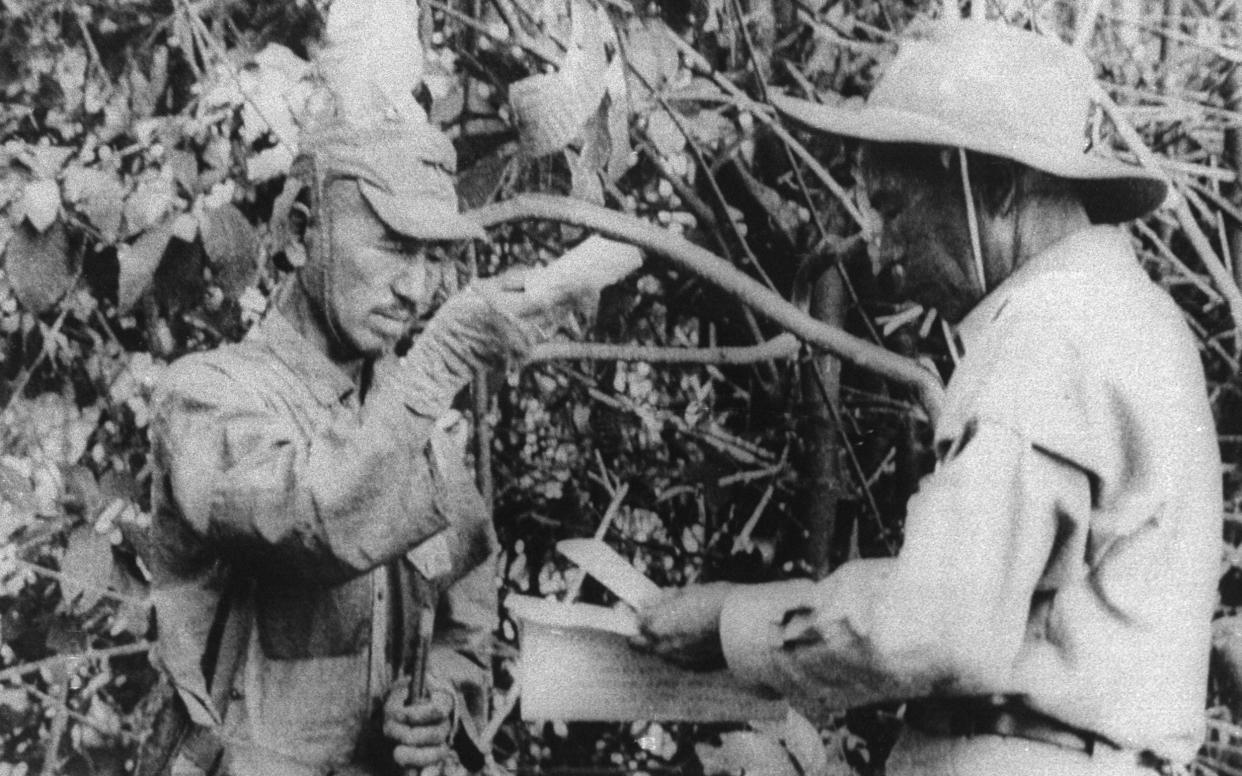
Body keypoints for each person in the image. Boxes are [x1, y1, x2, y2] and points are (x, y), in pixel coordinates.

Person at [634, 20, 1221, 776]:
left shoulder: (1050, 331)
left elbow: (939, 625)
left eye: (893, 206)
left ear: (999, 189)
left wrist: (731, 623)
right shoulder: (1122, 314)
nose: (879, 245)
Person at [143, 118, 567, 776]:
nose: (416, 289)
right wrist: (437, 367)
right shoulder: (204, 398)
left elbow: (465, 612)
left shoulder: (410, 419)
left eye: (434, 257)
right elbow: (306, 516)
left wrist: (438, 703)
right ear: (300, 232)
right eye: (396, 246)